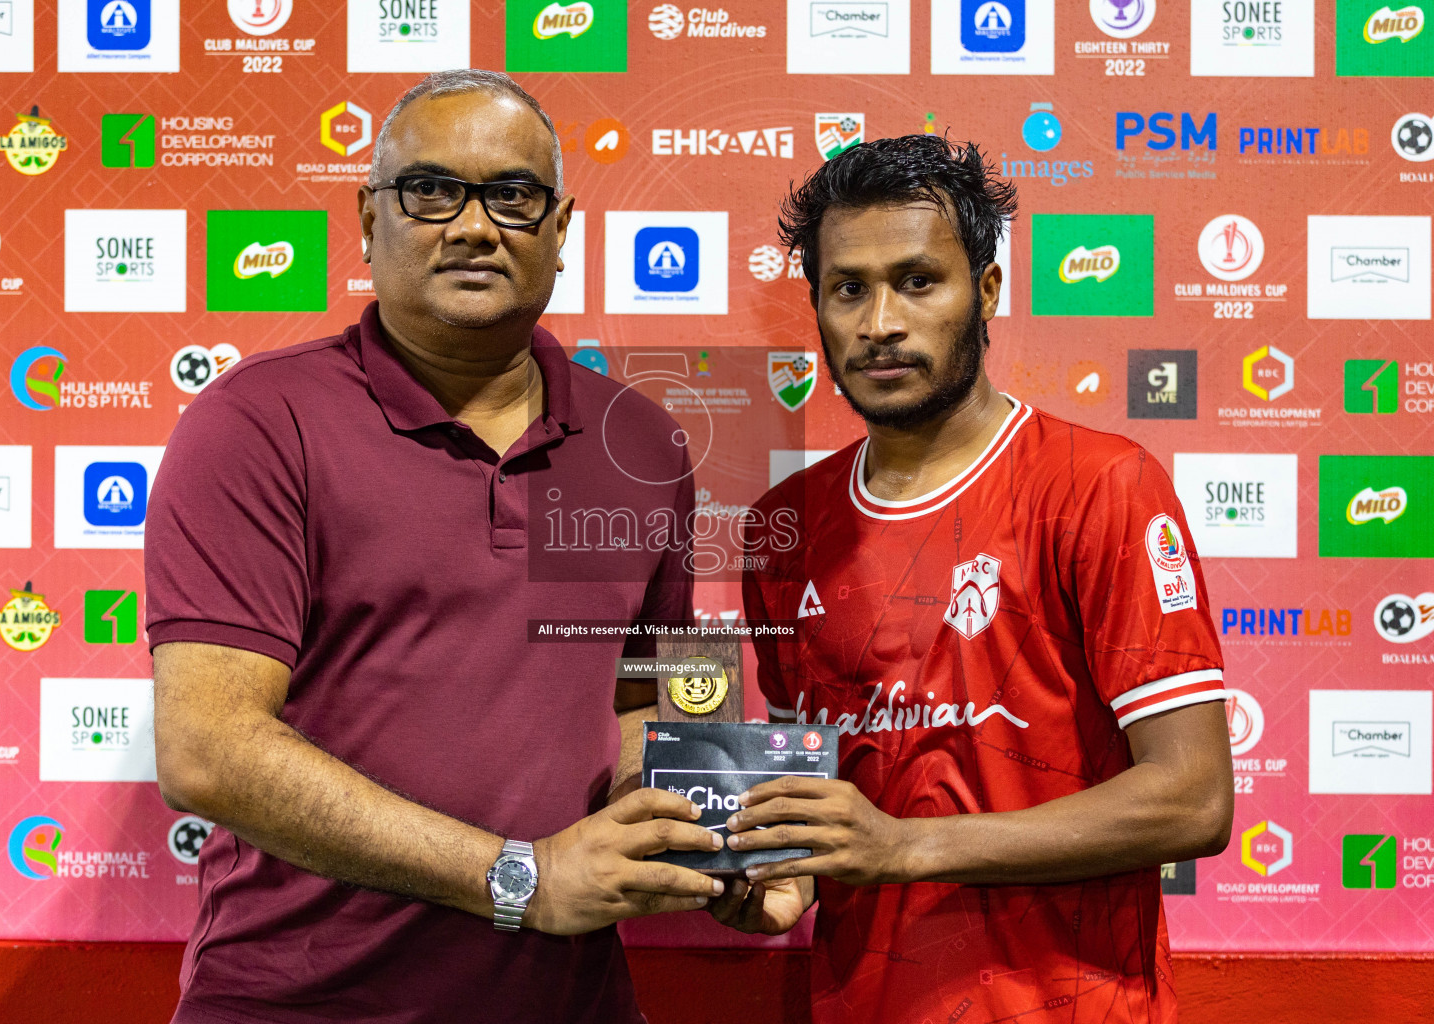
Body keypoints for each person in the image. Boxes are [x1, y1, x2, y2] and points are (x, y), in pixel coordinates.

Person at [145, 70, 725, 1024]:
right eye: (430, 190)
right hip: (302, 1005)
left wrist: (712, 845)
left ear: (561, 230)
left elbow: (636, 707)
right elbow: (207, 750)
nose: (472, 225)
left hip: (569, 1003)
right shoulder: (258, 423)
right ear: (369, 219)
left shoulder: (643, 444)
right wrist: (520, 879)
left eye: (511, 195)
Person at [711, 134, 1234, 1024]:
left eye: (918, 281)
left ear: (985, 292)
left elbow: (1192, 798)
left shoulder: (1099, 484)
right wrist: (764, 889)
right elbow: (826, 813)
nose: (880, 321)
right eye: (849, 289)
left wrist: (903, 848)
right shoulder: (781, 525)